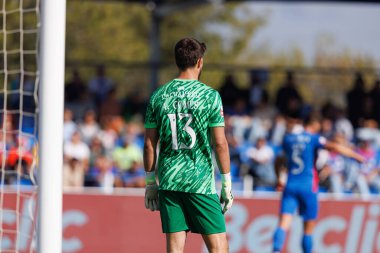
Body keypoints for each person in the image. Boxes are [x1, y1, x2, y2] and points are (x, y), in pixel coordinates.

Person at [143, 38, 233, 253]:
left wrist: (150, 183)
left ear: (177, 62)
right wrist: (227, 183)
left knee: (175, 248)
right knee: (218, 246)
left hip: (169, 181)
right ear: (200, 62)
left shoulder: (158, 96)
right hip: (199, 181)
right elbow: (220, 143)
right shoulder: (210, 96)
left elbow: (149, 144)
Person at [272, 111, 364, 253]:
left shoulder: (288, 139)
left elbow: (278, 160)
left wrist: (279, 178)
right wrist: (356, 156)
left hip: (290, 184)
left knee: (283, 224)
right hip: (308, 186)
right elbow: (334, 147)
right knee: (308, 229)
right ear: (314, 124)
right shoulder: (313, 138)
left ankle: (276, 250)